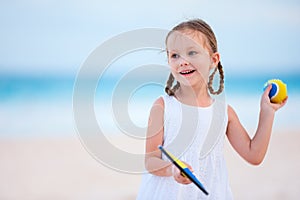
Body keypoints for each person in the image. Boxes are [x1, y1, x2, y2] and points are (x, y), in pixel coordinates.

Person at [136, 19, 287, 200]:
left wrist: (267, 112)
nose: (182, 61)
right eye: (175, 55)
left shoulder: (224, 113)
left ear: (213, 59)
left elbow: (254, 155)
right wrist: (171, 169)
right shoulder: (163, 107)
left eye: (192, 52)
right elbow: (150, 160)